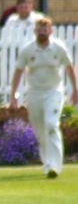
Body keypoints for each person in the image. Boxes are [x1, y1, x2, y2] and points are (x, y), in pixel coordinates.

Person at [8, 17, 78, 179]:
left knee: (51, 124)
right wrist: (13, 96)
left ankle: (55, 165)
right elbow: (18, 71)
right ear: (35, 31)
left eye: (45, 29)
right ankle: (47, 162)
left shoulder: (58, 48)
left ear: (50, 31)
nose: (42, 32)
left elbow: (69, 68)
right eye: (39, 29)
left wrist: (75, 90)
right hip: (34, 93)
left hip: (53, 92)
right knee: (40, 130)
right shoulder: (28, 50)